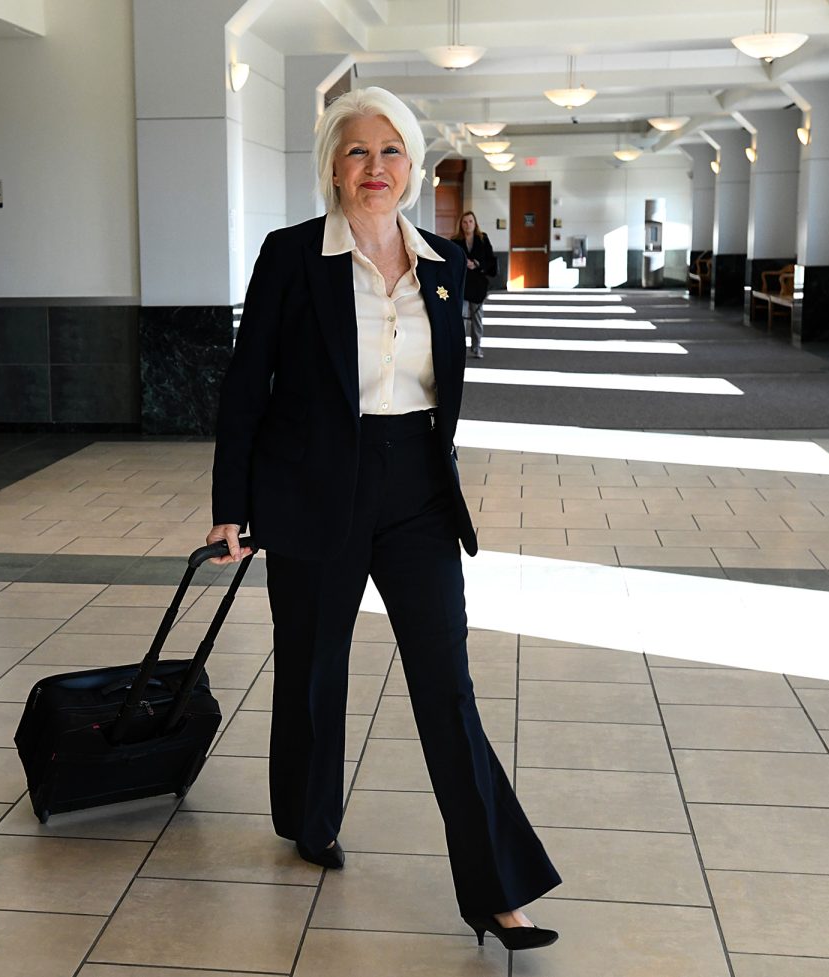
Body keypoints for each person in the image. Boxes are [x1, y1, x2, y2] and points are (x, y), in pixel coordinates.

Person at [206, 86, 561, 952]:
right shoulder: (292, 256)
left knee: (448, 687)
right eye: (357, 151)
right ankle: (310, 817)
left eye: (391, 151)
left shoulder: (440, 262)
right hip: (312, 489)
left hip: (415, 493)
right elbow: (248, 384)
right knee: (314, 667)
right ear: (333, 163)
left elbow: (444, 393)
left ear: (414, 164)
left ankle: (497, 892)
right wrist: (233, 506)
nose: (375, 168)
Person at [451, 211, 497, 358]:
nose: (468, 225)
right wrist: (465, 264)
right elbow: (451, 261)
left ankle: (477, 347)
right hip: (462, 284)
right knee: (461, 316)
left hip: (478, 283)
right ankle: (460, 348)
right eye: (465, 222)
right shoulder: (455, 241)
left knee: (477, 317)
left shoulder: (483, 239)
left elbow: (490, 259)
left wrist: (477, 263)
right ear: (461, 224)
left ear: (475, 223)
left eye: (470, 221)